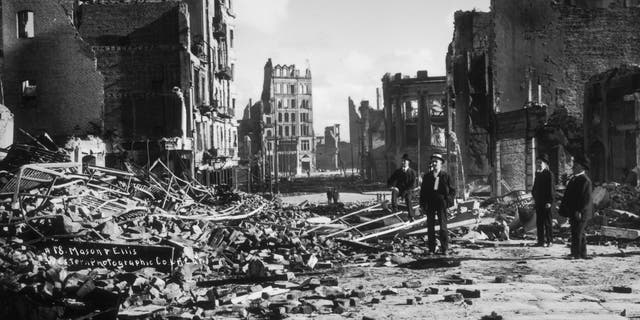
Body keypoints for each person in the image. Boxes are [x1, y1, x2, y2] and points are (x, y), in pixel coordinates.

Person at [420, 153, 456, 255]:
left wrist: (447, 201)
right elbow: (423, 192)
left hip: (441, 203)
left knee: (443, 227)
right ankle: (432, 248)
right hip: (430, 203)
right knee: (430, 227)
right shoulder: (427, 177)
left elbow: (452, 191)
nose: (434, 163)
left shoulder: (446, 176)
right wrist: (423, 205)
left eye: (436, 162)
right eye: (433, 162)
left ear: (441, 164)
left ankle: (444, 248)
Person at [559, 154, 593, 259]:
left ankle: (576, 254)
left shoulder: (585, 180)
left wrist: (579, 211)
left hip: (581, 212)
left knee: (577, 233)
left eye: (576, 165)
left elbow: (585, 199)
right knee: (578, 232)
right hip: (574, 211)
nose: (573, 167)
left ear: (582, 167)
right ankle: (582, 254)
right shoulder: (574, 179)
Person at [532, 153, 555, 247]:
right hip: (539, 202)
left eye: (540, 162)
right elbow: (534, 189)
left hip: (546, 203)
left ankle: (550, 241)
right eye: (537, 162)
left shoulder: (549, 174)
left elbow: (552, 189)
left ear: (545, 164)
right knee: (539, 222)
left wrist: (549, 201)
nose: (538, 164)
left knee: (548, 222)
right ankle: (540, 241)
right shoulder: (538, 174)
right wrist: (535, 198)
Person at [387, 154, 418, 220]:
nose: (403, 162)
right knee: (394, 192)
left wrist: (406, 191)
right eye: (402, 161)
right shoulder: (398, 171)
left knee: (408, 198)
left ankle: (411, 215)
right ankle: (395, 211)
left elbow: (413, 185)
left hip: (409, 191)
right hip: (399, 190)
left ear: (408, 162)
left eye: (405, 161)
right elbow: (390, 180)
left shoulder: (412, 172)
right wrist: (392, 187)